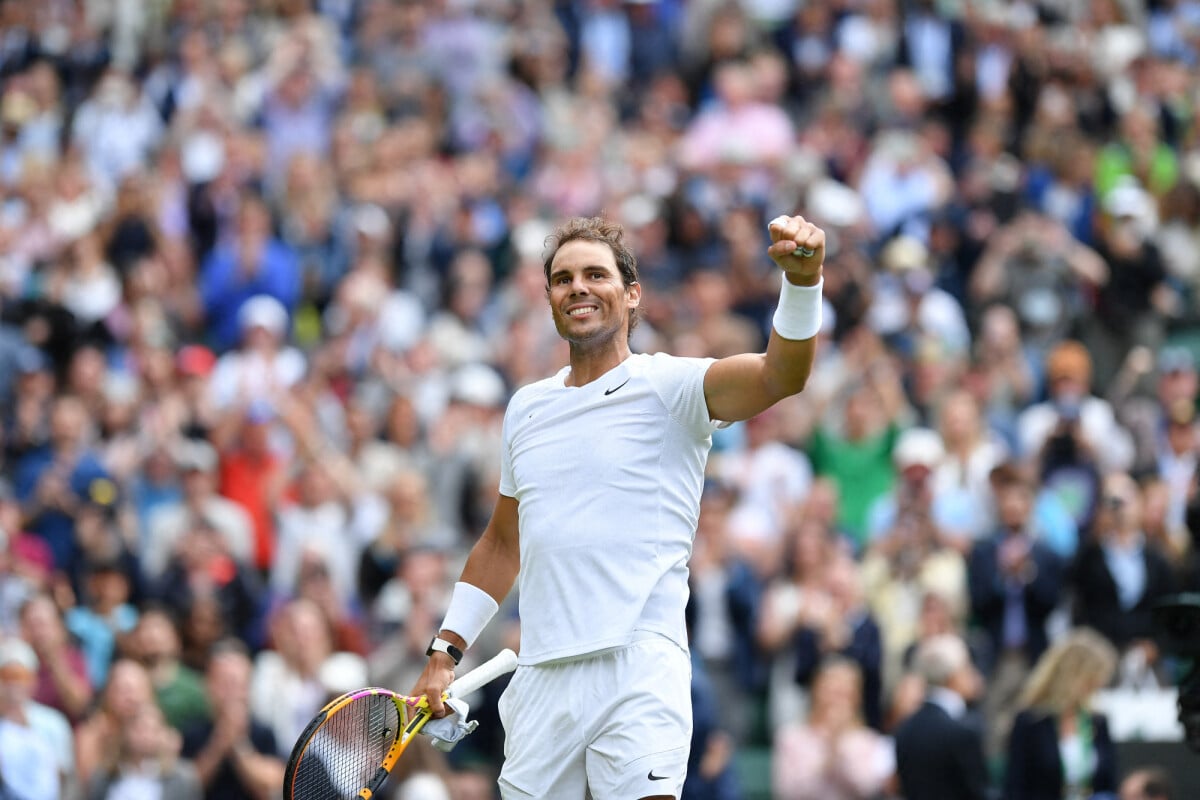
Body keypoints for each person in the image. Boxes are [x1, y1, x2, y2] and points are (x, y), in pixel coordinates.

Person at [411, 213, 828, 799]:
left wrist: (802, 283)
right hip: (541, 679)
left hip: (639, 668)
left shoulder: (673, 386)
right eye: (562, 278)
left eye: (594, 274)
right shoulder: (526, 409)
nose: (577, 287)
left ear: (632, 294)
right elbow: (503, 543)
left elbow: (782, 374)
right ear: (551, 299)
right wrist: (445, 651)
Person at [1004, 628, 1119, 800]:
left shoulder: (1098, 722)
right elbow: (1015, 786)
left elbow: (1110, 782)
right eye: (1092, 680)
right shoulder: (1031, 722)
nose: (1096, 687)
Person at [771, 656, 895, 800]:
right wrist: (828, 757)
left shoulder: (868, 740)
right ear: (816, 690)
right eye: (831, 690)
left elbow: (867, 790)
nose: (836, 699)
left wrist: (839, 750)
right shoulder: (791, 737)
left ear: (857, 697)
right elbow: (789, 793)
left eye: (844, 692)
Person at [893, 633, 988, 800]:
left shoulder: (904, 729)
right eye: (967, 667)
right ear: (953, 676)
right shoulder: (961, 732)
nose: (972, 674)